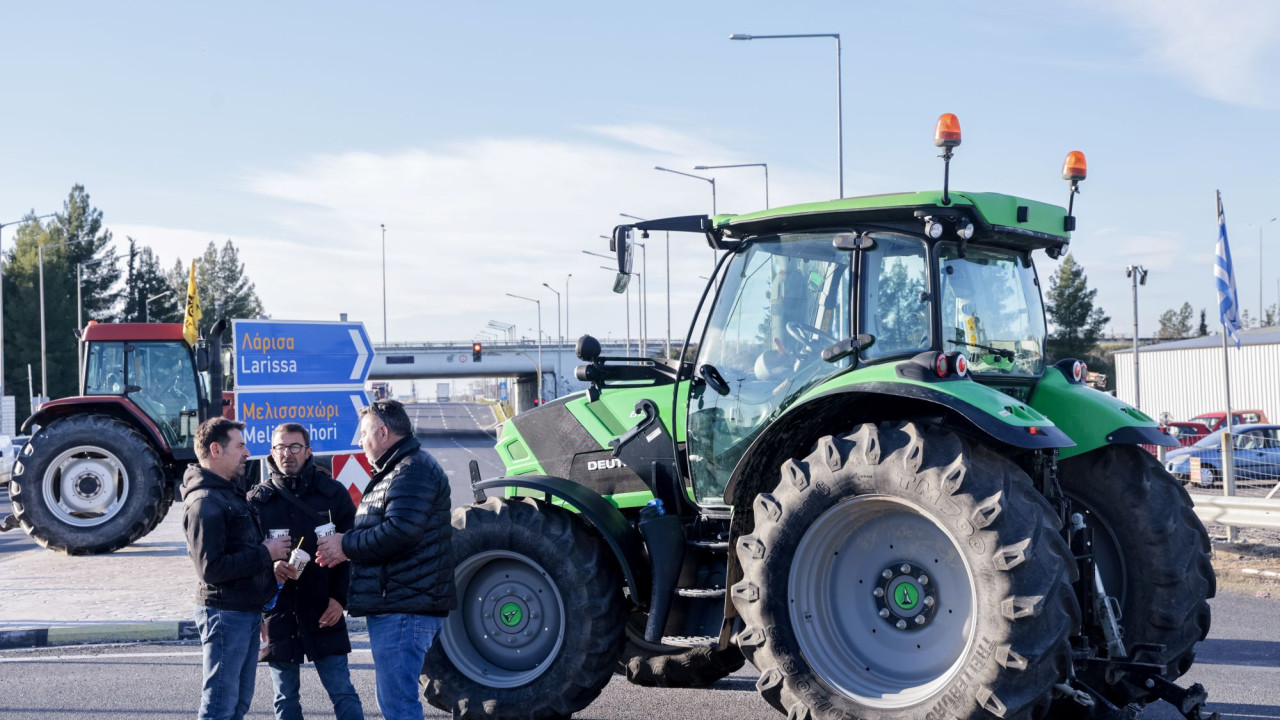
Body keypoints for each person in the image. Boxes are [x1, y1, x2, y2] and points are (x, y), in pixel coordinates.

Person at [315, 399, 455, 720]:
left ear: (382, 432)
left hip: (403, 608)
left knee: (398, 707)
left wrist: (345, 545)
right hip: (401, 604)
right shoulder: (400, 469)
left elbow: (401, 532)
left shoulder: (412, 470)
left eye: (364, 434)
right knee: (396, 703)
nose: (360, 442)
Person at [248, 423, 364, 720]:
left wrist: (339, 599)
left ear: (308, 451)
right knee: (285, 698)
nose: (287, 453)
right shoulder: (257, 500)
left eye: (295, 447)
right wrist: (270, 568)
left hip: (324, 608)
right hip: (279, 613)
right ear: (271, 452)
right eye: (280, 447)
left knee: (342, 691)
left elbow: (354, 551)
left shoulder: (332, 494)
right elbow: (247, 558)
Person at [183, 417, 290, 720]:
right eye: (240, 446)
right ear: (216, 450)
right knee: (220, 705)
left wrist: (268, 567)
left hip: (244, 611)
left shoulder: (226, 492)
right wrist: (265, 553)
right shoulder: (205, 502)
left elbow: (239, 551)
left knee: (238, 704)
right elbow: (211, 568)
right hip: (225, 614)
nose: (247, 452)